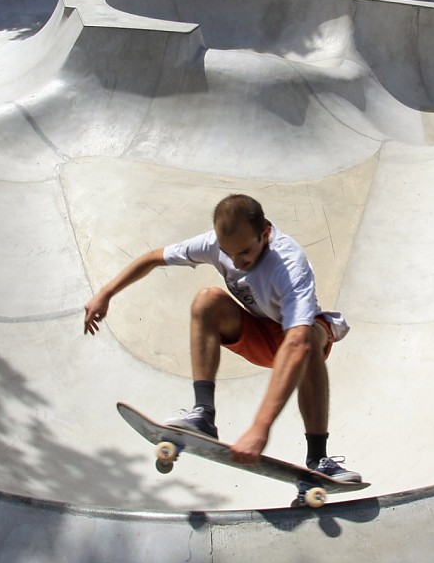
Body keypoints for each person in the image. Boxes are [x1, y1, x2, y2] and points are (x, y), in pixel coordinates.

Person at [83, 194, 362, 483]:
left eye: (244, 252)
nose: (236, 261)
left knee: (311, 338)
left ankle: (319, 457)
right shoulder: (217, 244)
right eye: (228, 253)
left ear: (265, 233)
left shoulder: (289, 264)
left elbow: (296, 342)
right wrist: (106, 293)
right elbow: (154, 258)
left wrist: (259, 429)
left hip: (299, 335)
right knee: (207, 300)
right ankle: (203, 414)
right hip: (259, 335)